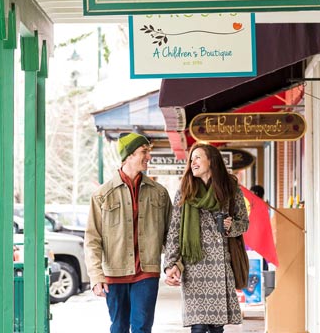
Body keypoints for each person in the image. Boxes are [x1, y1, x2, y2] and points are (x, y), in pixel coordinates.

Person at [85, 133, 174, 333]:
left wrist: (173, 264)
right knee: (119, 327)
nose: (148, 157)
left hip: (146, 272)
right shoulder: (102, 195)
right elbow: (92, 239)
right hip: (114, 273)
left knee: (142, 327)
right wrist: (96, 275)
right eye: (144, 152)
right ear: (129, 156)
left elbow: (172, 234)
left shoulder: (160, 193)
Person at [163, 143, 249, 333]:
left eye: (198, 158)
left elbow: (244, 223)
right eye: (191, 159)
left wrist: (231, 226)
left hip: (220, 267)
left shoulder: (231, 189)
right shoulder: (185, 191)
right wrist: (170, 264)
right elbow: (175, 230)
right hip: (194, 267)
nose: (192, 162)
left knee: (217, 328)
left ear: (212, 161)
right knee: (199, 327)